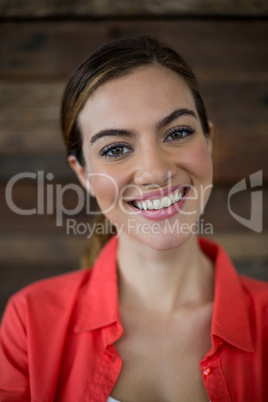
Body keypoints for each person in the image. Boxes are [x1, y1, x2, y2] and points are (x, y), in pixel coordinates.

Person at [0, 36, 267, 402]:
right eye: (116, 149)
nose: (155, 172)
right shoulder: (29, 322)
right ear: (82, 175)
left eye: (178, 132)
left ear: (209, 140)